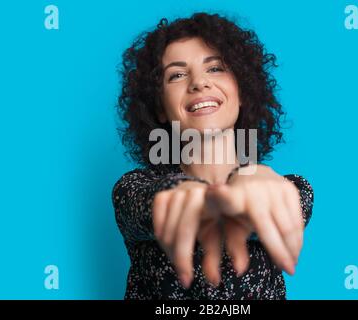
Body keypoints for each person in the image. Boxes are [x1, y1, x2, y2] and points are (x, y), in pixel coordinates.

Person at [112, 12, 314, 300]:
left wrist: (252, 188)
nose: (199, 83)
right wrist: (192, 197)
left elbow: (292, 204)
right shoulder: (132, 191)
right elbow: (151, 204)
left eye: (215, 68)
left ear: (242, 90)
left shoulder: (286, 190)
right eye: (177, 75)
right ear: (159, 108)